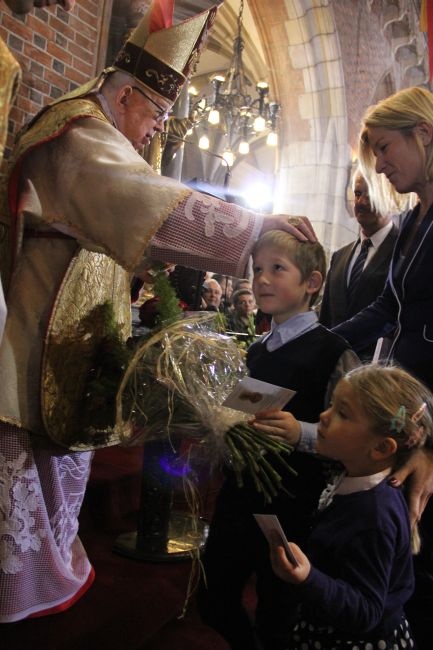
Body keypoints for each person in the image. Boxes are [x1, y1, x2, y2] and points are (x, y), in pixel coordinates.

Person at [0, 0, 317, 624]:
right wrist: (255, 229)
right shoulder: (81, 135)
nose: (157, 132)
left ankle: (41, 579)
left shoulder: (96, 132)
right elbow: (151, 205)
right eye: (158, 114)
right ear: (124, 99)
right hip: (30, 341)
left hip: (66, 342)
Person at [197, 230, 359, 650]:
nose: (262, 279)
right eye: (257, 269)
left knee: (279, 611)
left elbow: (354, 439)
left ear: (312, 283)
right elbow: (242, 415)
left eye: (277, 268)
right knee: (213, 596)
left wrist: (300, 433)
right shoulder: (257, 350)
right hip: (239, 498)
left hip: (292, 507)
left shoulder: (333, 352)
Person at [333, 85, 433, 649]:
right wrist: (320, 341)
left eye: (384, 147)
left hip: (429, 415)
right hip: (405, 405)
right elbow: (387, 307)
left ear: (424, 132)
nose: (379, 165)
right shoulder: (415, 219)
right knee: (400, 562)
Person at [268, 363, 433, 650]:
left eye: (342, 413)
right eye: (332, 405)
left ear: (381, 448)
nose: (323, 416)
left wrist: (309, 578)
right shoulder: (356, 473)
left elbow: (366, 610)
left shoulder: (372, 517)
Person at [319, 167, 399, 359]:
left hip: (379, 373)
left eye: (369, 194)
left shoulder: (404, 251)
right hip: (334, 369)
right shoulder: (339, 256)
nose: (361, 202)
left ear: (389, 197)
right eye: (357, 194)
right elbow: (326, 318)